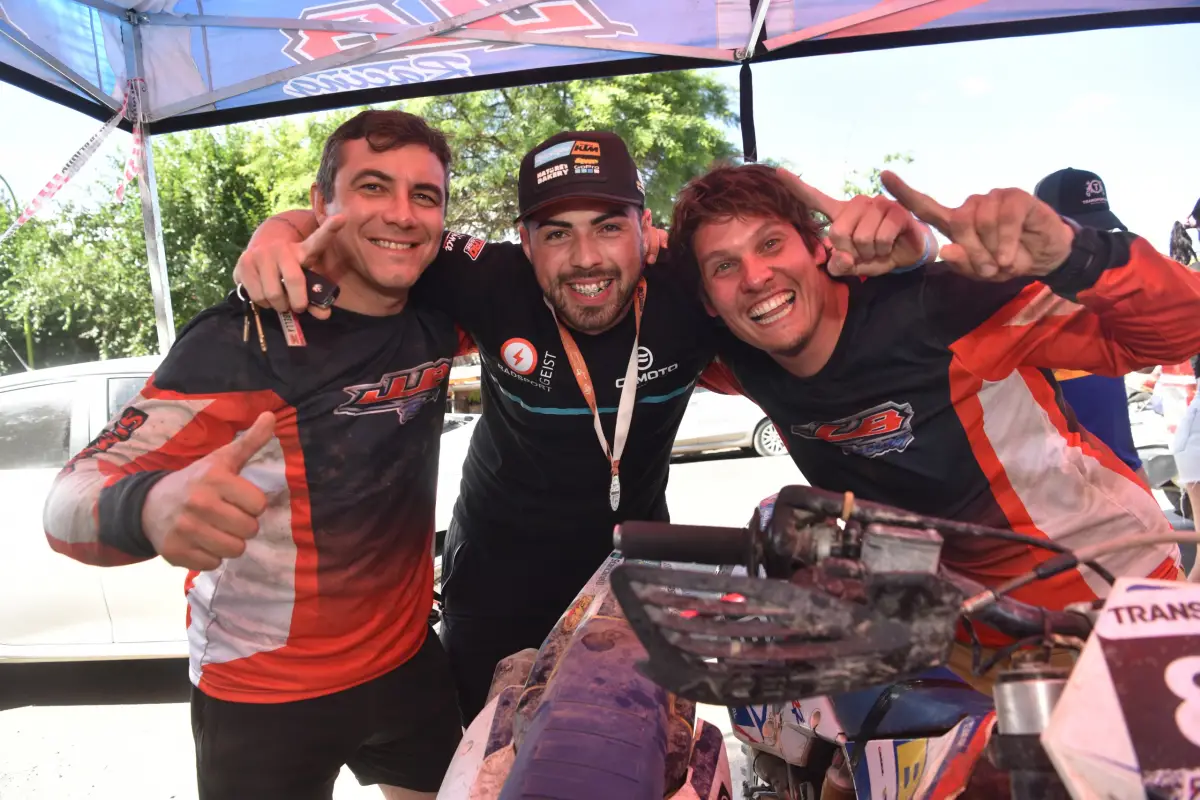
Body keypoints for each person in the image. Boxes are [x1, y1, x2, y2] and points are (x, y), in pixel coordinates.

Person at [232, 131, 938, 723]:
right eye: (557, 233)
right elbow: (374, 227)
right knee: (488, 764)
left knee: (637, 756)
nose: (588, 258)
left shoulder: (693, 286)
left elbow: (831, 303)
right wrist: (277, 233)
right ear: (524, 241)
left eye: (608, 226)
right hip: (495, 578)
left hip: (636, 570)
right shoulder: (489, 279)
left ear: (644, 229)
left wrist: (922, 248)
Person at [43, 110, 467, 800]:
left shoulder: (440, 316)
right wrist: (148, 507)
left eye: (424, 195)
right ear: (322, 201)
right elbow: (68, 498)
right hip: (265, 692)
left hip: (407, 662)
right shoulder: (242, 341)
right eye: (372, 186)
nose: (401, 213)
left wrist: (281, 226)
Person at [669, 163, 1200, 686]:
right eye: (724, 266)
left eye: (770, 244)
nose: (755, 277)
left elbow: (1181, 332)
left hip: (1099, 592)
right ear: (709, 302)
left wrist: (1071, 254)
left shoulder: (945, 303)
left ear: (817, 247)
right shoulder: (740, 358)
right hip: (955, 628)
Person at [1032, 168, 1145, 480]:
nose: (1092, 244)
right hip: (1059, 486)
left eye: (1100, 232)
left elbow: (1146, 367)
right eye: (1079, 233)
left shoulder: (1103, 292)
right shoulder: (1017, 303)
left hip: (1121, 476)